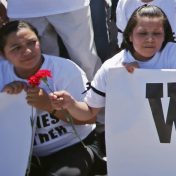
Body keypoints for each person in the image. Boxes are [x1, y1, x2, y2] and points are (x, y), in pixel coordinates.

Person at [50, 6, 176, 125]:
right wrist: (71, 104)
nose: (150, 39)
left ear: (165, 36)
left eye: (157, 33)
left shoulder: (174, 52)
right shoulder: (111, 67)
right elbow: (90, 112)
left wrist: (140, 78)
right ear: (129, 36)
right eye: (142, 33)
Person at [1, 21, 103, 176]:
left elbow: (89, 118)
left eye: (32, 42)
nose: (27, 51)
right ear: (3, 55)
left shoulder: (65, 69)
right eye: (16, 48)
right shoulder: (2, 75)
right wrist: (5, 99)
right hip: (23, 155)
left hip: (73, 145)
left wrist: (50, 105)